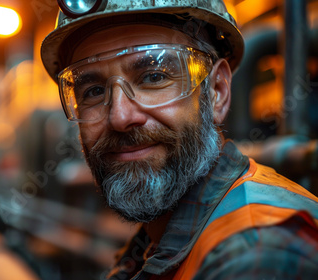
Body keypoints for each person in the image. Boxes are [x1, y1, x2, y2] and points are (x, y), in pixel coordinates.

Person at [40, 0, 318, 279]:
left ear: (216, 91)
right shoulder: (157, 242)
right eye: (94, 91)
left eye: (153, 76)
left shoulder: (258, 255)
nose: (120, 117)